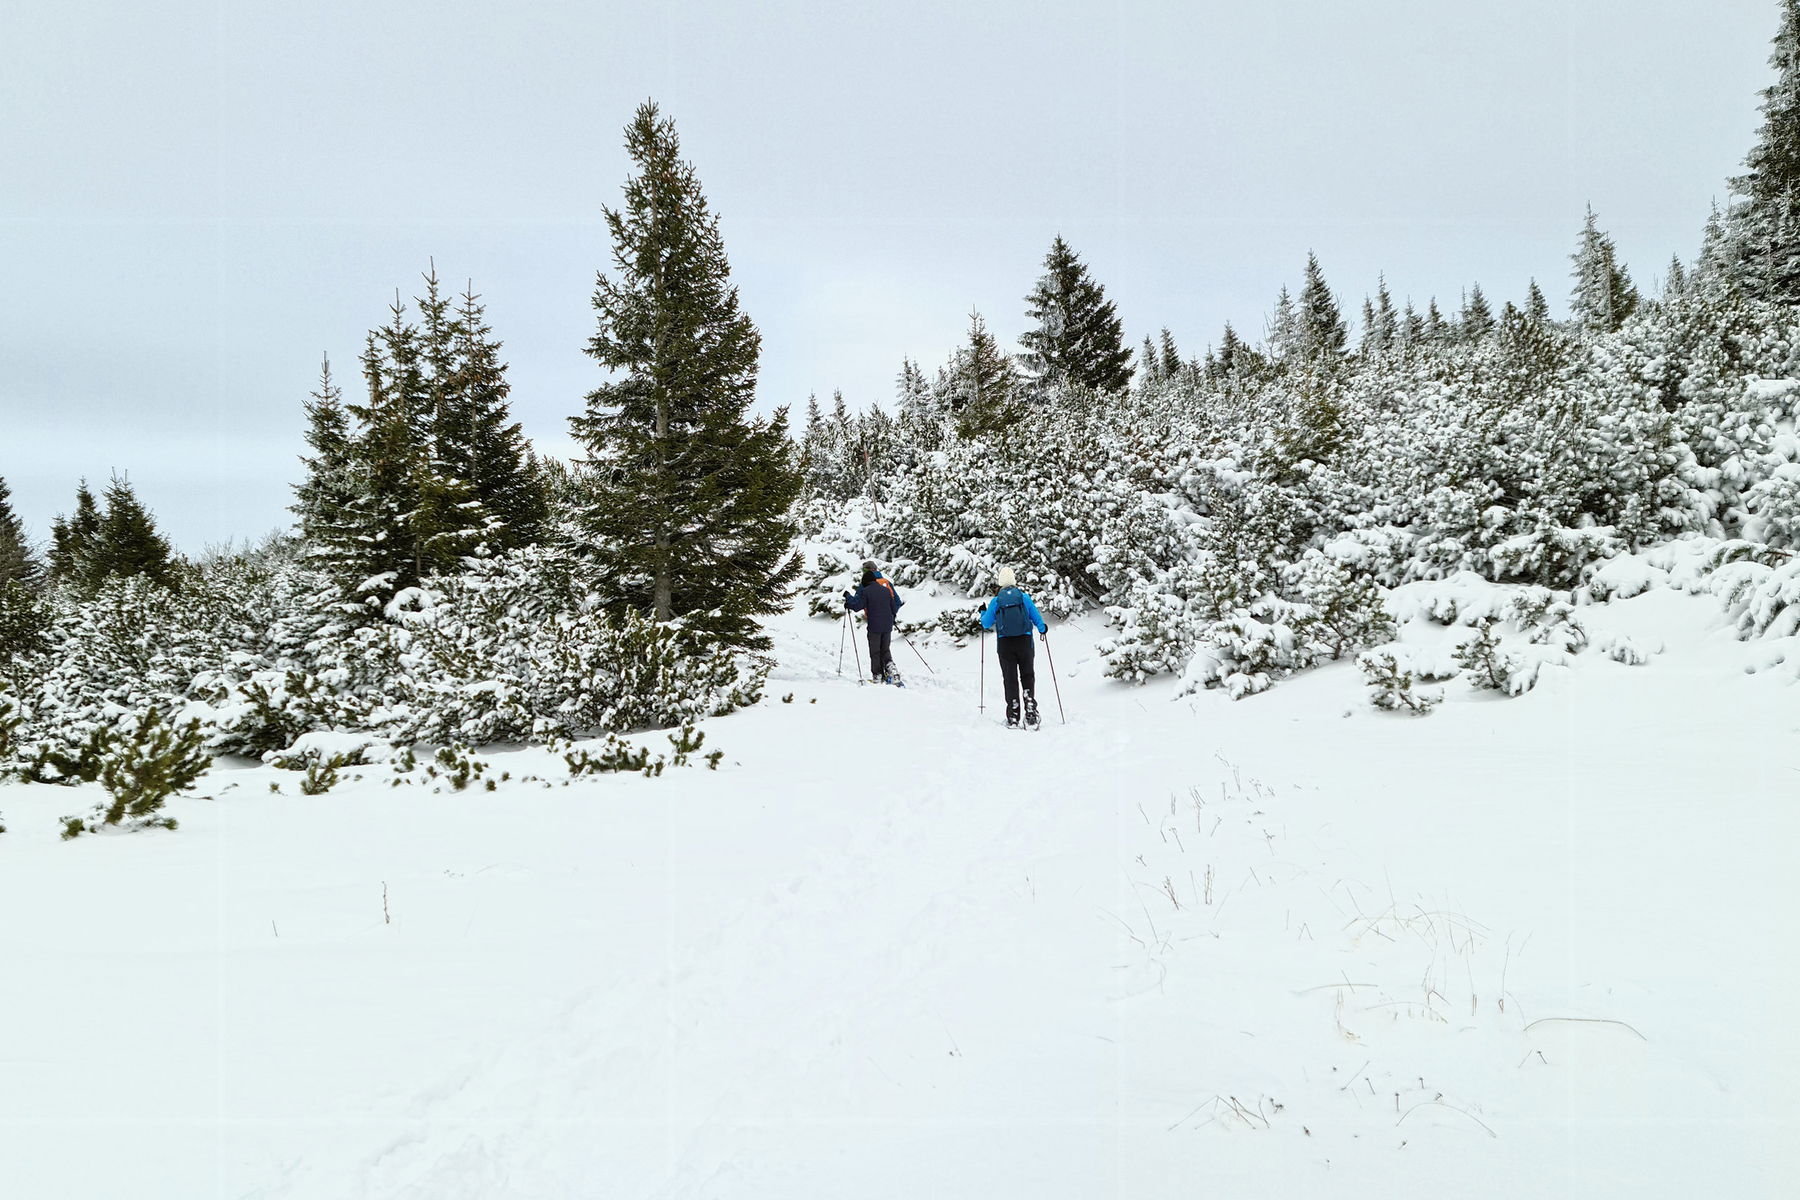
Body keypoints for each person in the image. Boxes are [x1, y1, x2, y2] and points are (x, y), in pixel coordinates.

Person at [979, 566, 1048, 727]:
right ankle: (1030, 710)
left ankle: (1013, 715)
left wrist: (982, 612)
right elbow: (1037, 618)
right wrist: (1042, 628)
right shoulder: (1024, 598)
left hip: (1005, 644)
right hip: (1025, 642)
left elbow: (986, 623)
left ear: (1000, 582)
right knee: (1027, 675)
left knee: (1010, 679)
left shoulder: (996, 601)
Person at [845, 562, 904, 684]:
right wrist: (890, 616)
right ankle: (892, 670)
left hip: (874, 624)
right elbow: (896, 603)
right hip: (887, 623)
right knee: (885, 649)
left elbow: (857, 604)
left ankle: (877, 675)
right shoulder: (886, 584)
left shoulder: (864, 587)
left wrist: (848, 599)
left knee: (875, 651)